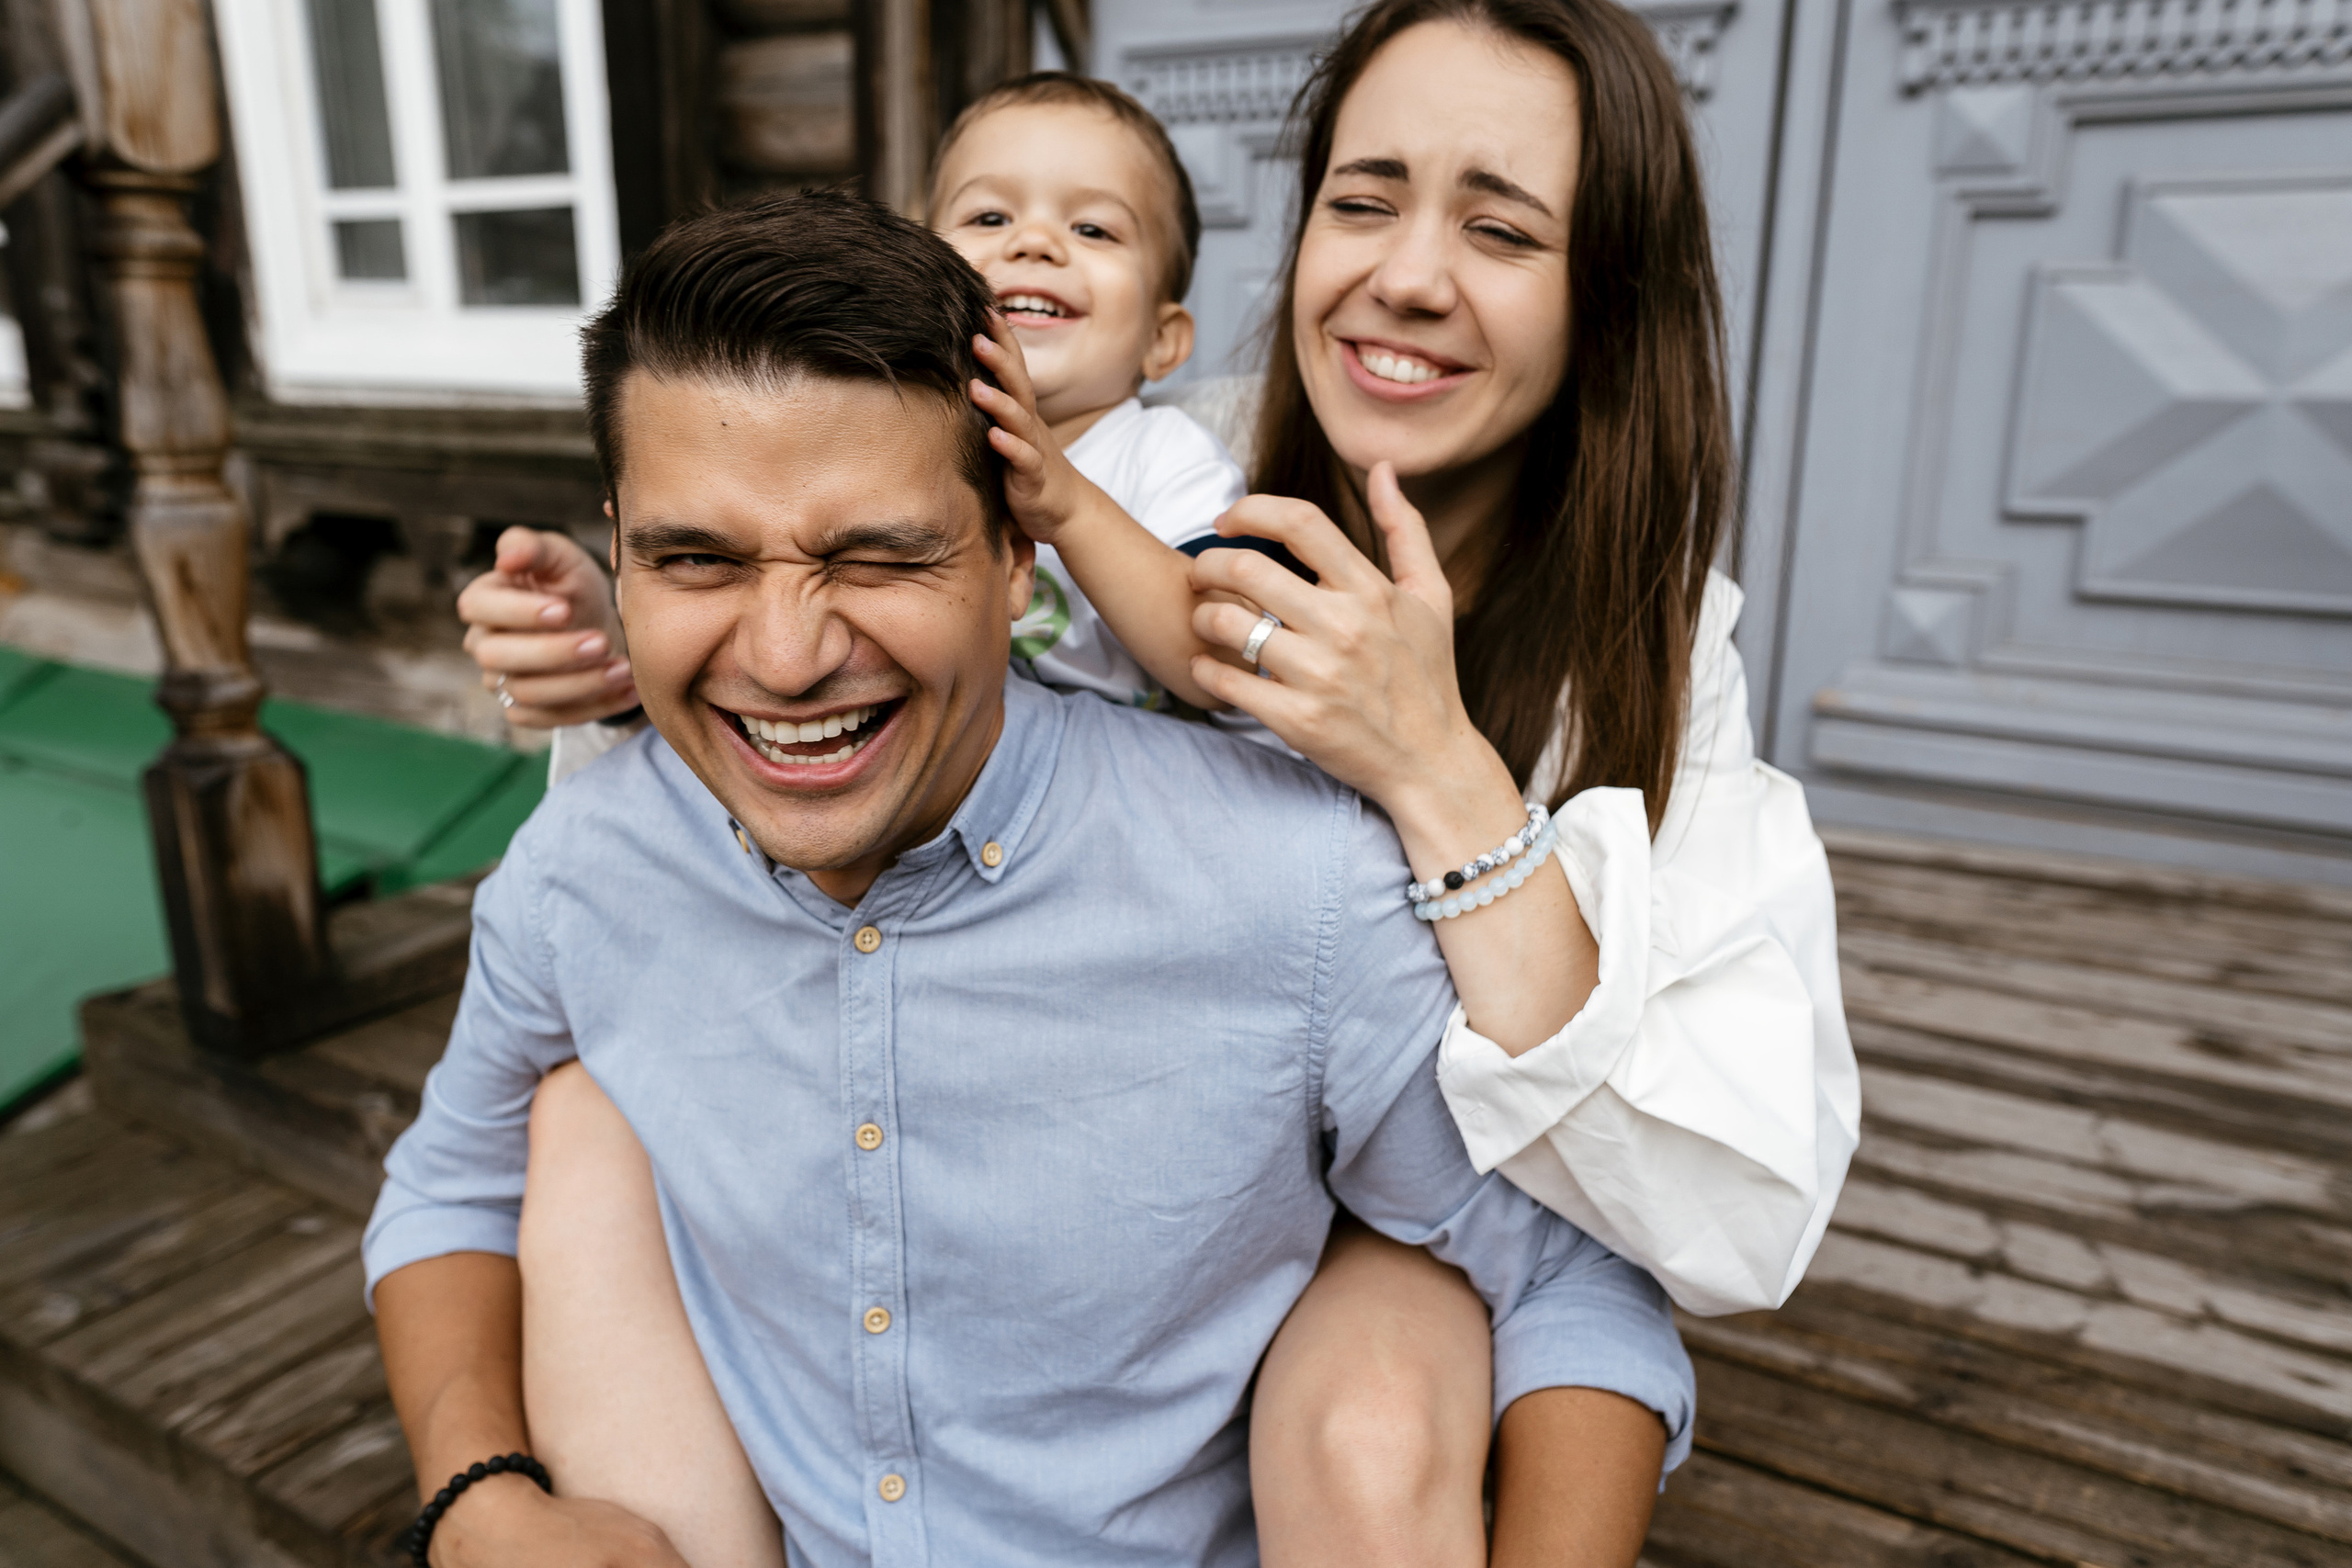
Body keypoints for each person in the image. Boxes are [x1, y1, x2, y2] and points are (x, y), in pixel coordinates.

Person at [458, 0, 1860, 1558]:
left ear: (1608, 300)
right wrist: (622, 657)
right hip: (1074, 1198)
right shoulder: (1162, 490)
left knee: (1380, 1392)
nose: (1405, 271)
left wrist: (1440, 768)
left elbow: (1709, 1216)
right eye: (1367, 196)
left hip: (1371, 1229)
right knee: (583, 1107)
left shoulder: (1659, 678)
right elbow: (837, 653)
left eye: (1503, 228)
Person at [475, 71, 1252, 784]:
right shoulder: (865, 449)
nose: (1033, 242)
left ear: (1165, 338)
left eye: (1094, 231)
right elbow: (779, 669)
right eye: (989, 215)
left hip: (1099, 797)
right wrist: (610, 651)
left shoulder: (1164, 453)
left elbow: (1220, 652)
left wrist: (1070, 503)